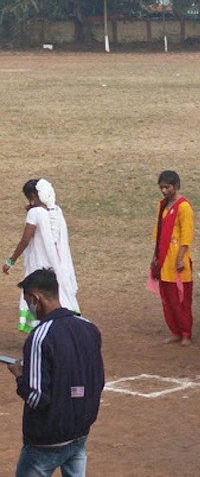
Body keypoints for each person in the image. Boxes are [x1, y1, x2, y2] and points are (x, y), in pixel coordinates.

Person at [7, 269, 104, 477]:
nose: (29, 308)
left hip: (46, 439)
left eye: (28, 302)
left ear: (35, 298)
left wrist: (20, 376)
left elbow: (36, 396)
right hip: (80, 431)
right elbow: (97, 380)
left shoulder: (40, 336)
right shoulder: (88, 327)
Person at [3, 179, 80, 333]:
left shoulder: (35, 213)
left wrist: (11, 261)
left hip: (40, 263)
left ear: (32, 195)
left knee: (37, 293)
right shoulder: (57, 211)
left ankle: (43, 329)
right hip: (59, 263)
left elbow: (25, 239)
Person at [151, 170, 194, 346]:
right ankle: (175, 330)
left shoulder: (184, 207)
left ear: (176, 186)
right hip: (164, 257)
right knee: (168, 297)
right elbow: (158, 232)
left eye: (167, 187)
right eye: (162, 188)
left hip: (177, 256)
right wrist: (155, 256)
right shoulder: (162, 205)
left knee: (181, 297)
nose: (164, 191)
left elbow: (187, 234)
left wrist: (180, 258)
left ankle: (185, 332)